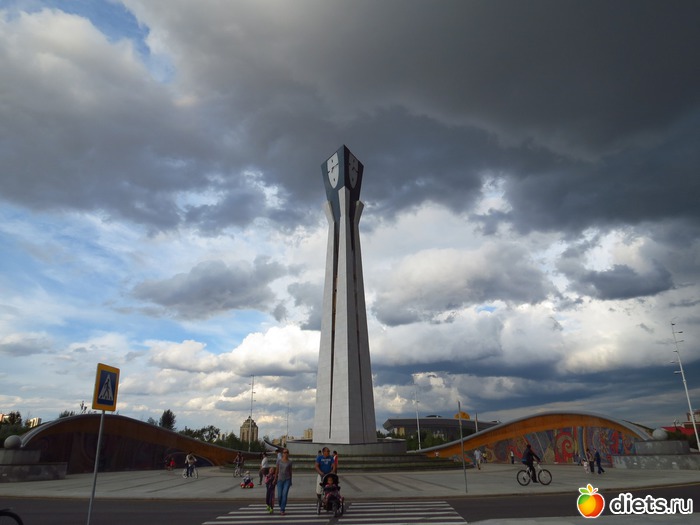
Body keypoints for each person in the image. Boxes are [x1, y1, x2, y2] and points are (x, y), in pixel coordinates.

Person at [275, 449, 293, 516]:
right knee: (279, 495)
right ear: (282, 453)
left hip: (287, 480)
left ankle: (282, 509)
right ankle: (281, 505)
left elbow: (290, 471)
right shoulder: (279, 461)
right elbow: (277, 470)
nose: (285, 453)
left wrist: (291, 480)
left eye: (287, 452)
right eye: (284, 452)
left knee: (284, 494)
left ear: (288, 453)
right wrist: (275, 478)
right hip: (280, 480)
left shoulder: (290, 462)